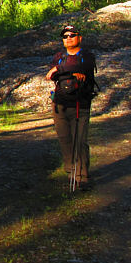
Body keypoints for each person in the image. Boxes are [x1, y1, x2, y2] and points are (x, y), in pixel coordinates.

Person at [45, 25, 97, 191]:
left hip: (80, 104)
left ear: (79, 38)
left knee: (79, 140)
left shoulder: (86, 56)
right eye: (65, 36)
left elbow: (84, 69)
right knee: (65, 139)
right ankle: (71, 172)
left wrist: (60, 69)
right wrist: (67, 71)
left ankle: (82, 177)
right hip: (59, 104)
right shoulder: (59, 57)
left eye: (72, 35)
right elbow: (50, 75)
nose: (68, 38)